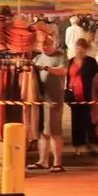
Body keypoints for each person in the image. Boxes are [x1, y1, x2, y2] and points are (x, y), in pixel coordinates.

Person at [33, 27, 67, 172]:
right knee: (43, 132)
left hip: (54, 99)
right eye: (43, 44)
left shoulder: (61, 56)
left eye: (47, 44)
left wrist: (46, 68)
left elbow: (63, 71)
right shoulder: (37, 57)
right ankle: (43, 160)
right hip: (40, 98)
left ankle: (57, 162)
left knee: (54, 131)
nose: (45, 47)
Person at [67, 36, 98, 157]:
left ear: (86, 50)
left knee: (90, 120)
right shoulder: (70, 62)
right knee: (76, 121)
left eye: (82, 49)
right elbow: (67, 77)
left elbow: (96, 79)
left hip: (87, 95)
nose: (80, 51)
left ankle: (92, 144)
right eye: (78, 49)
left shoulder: (91, 62)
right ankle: (78, 145)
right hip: (73, 96)